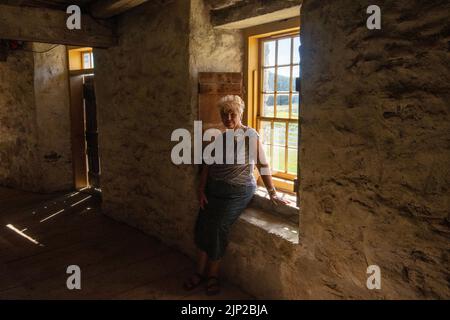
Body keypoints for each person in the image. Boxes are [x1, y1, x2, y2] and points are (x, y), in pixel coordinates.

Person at [183, 95, 288, 295]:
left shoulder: (250, 135)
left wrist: (272, 192)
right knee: (202, 224)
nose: (228, 117)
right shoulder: (221, 137)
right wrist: (201, 188)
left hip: (237, 192)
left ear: (240, 114)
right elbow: (207, 165)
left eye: (232, 113)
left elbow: (263, 164)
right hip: (214, 189)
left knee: (217, 227)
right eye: (224, 113)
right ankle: (199, 272)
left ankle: (212, 274)